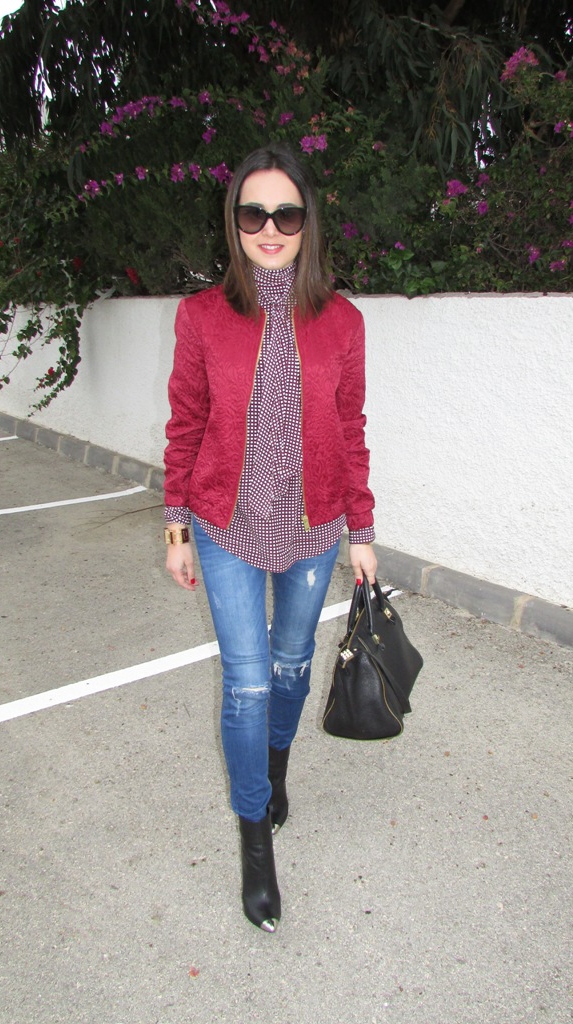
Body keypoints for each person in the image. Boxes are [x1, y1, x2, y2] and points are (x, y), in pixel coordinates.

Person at [163, 142, 377, 932]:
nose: (270, 229)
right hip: (224, 521)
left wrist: (362, 528)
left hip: (315, 525)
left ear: (307, 221)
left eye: (286, 214)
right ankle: (256, 838)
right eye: (254, 213)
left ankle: (276, 769)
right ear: (235, 221)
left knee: (291, 668)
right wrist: (177, 528)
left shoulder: (343, 320)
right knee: (247, 683)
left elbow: (350, 429)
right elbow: (186, 422)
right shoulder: (201, 316)